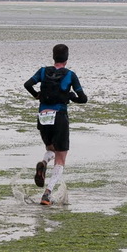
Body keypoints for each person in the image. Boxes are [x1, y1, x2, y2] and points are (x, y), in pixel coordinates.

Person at [24, 44, 87, 205]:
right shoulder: (70, 75)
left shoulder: (43, 71)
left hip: (43, 116)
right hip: (59, 116)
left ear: (54, 57)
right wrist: (71, 96)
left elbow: (27, 84)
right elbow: (83, 99)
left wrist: (37, 95)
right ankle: (47, 193)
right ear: (66, 58)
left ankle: (44, 163)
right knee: (61, 157)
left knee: (50, 148)